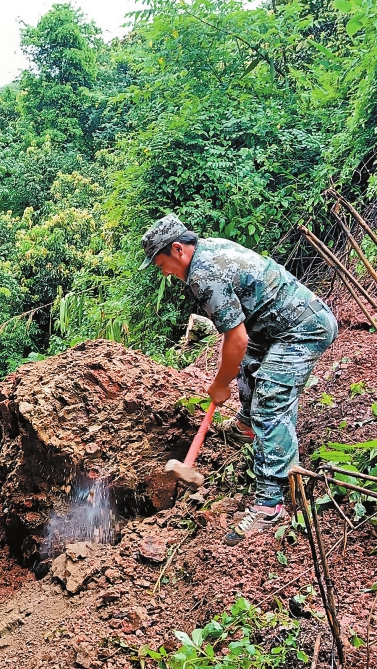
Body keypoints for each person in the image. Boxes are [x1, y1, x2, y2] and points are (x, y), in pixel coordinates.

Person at [139, 214, 338, 547]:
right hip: (273, 327)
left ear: (177, 249)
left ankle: (270, 504)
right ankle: (246, 427)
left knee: (270, 401)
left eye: (162, 264)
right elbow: (238, 336)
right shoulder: (208, 250)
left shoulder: (202, 274)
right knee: (248, 367)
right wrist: (227, 375)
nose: (164, 273)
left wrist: (220, 384)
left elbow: (236, 338)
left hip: (303, 328)